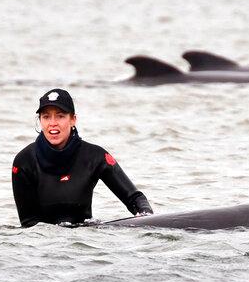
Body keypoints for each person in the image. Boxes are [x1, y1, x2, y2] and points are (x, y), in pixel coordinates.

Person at [12, 88, 153, 227]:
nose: (52, 123)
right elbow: (28, 224)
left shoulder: (95, 156)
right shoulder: (24, 161)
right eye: (46, 116)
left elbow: (135, 198)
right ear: (40, 120)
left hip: (85, 241)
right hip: (42, 245)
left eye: (60, 116)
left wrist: (148, 220)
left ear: (73, 119)